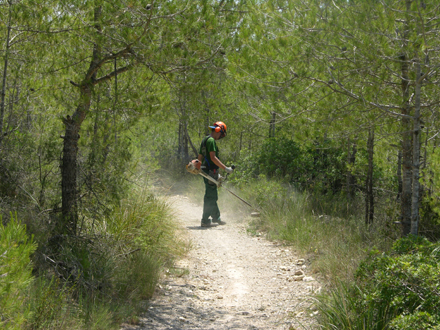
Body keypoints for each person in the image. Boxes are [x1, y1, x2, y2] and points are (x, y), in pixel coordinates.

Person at [198, 121, 234, 227]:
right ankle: (205, 220)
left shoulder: (205, 139)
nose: (220, 137)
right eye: (221, 134)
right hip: (210, 171)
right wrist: (226, 168)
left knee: (212, 194)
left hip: (205, 170)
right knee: (211, 196)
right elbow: (213, 157)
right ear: (218, 131)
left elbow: (200, 156)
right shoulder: (211, 141)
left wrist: (198, 167)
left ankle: (216, 217)